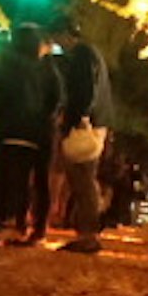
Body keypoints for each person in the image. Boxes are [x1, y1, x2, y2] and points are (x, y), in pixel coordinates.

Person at [0, 22, 57, 243]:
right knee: (22, 181)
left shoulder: (2, 62)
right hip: (34, 132)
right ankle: (18, 226)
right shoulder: (45, 67)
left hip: (6, 129)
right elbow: (56, 98)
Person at [46, 29, 108, 251]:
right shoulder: (93, 54)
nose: (58, 45)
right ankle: (88, 232)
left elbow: (84, 90)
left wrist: (77, 117)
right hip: (95, 122)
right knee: (86, 179)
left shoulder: (82, 54)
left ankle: (88, 235)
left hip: (84, 125)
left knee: (82, 178)